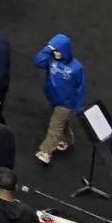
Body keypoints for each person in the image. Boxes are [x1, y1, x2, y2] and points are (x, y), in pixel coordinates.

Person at [33, 33, 87, 163]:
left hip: (66, 103)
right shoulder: (50, 59)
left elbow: (81, 87)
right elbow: (37, 62)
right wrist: (47, 50)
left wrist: (79, 106)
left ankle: (46, 152)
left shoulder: (77, 68)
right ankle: (67, 138)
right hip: (53, 98)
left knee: (55, 126)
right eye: (54, 50)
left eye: (58, 50)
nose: (56, 53)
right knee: (62, 122)